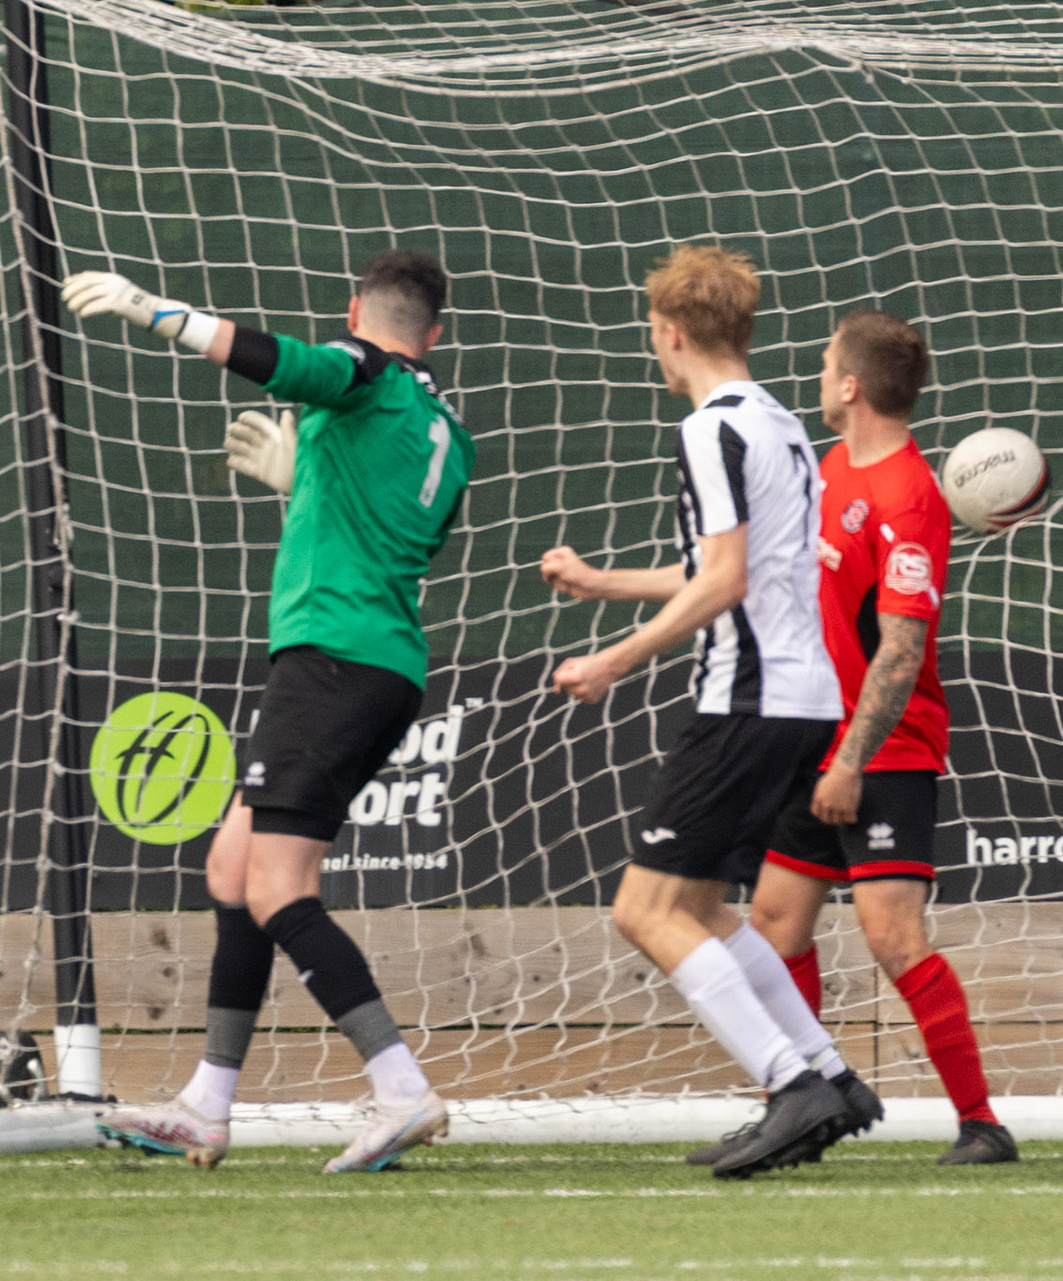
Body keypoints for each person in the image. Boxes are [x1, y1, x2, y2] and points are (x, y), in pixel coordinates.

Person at [67, 251, 474, 1173]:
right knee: (232, 864)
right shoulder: (450, 434)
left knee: (278, 886)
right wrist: (307, 482)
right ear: (437, 332)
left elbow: (283, 361)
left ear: (355, 313)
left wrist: (150, 308)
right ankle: (206, 1104)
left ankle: (400, 1086)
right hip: (378, 662)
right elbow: (384, 536)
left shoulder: (362, 371)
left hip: (332, 659)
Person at [542, 244, 877, 1179]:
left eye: (654, 334)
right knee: (699, 905)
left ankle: (789, 1082)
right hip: (805, 699)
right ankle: (829, 1073)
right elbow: (741, 567)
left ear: (672, 333)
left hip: (748, 697)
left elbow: (725, 580)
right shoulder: (781, 423)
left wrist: (612, 659)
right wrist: (604, 583)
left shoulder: (708, 429)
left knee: (643, 909)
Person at [748, 311, 1015, 1166]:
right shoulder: (829, 466)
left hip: (884, 747)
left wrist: (851, 763)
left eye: (827, 363)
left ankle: (982, 1123)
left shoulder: (908, 494)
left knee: (892, 936)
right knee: (773, 925)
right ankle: (798, 1111)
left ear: (852, 385)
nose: (819, 375)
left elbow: (900, 652)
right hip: (813, 736)